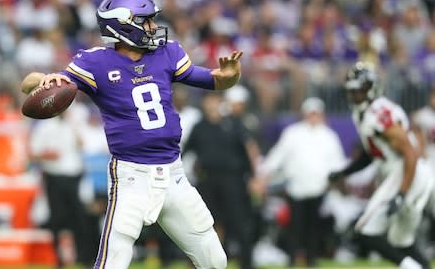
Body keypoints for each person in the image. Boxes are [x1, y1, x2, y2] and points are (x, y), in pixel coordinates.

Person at [21, 0, 242, 269]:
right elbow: (30, 84)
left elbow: (214, 80)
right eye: (146, 21)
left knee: (215, 261)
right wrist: (46, 79)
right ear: (123, 25)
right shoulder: (96, 62)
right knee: (113, 262)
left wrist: (230, 77)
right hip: (132, 176)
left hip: (174, 174)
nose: (153, 27)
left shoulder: (167, 52)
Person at [328, 62, 433, 269]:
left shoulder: (377, 114)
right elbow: (372, 153)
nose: (355, 95)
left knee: (365, 230)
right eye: (352, 91)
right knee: (400, 243)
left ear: (372, 89)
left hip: (406, 172)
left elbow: (409, 152)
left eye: (359, 90)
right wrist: (345, 172)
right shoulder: (368, 112)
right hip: (409, 173)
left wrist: (401, 192)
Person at [250, 97, 346, 267]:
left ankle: (311, 258)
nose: (313, 116)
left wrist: (335, 181)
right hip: (296, 187)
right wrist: (263, 174)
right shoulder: (293, 133)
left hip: (319, 188)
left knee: (314, 226)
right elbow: (277, 156)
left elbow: (337, 162)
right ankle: (292, 257)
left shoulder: (328, 135)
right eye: (311, 113)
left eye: (316, 113)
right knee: (295, 226)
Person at [184, 91, 258, 269]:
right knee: (206, 225)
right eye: (208, 101)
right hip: (207, 180)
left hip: (233, 180)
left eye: (215, 101)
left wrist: (255, 177)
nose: (212, 105)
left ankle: (246, 264)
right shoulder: (199, 126)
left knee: (240, 224)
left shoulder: (233, 124)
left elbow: (250, 149)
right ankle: (205, 263)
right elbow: (185, 151)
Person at [29, 112, 94, 267]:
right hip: (54, 176)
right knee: (57, 219)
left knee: (80, 218)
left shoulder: (74, 123)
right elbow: (32, 153)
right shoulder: (44, 126)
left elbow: (83, 144)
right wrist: (46, 155)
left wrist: (74, 126)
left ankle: (84, 257)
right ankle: (59, 259)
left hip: (74, 176)